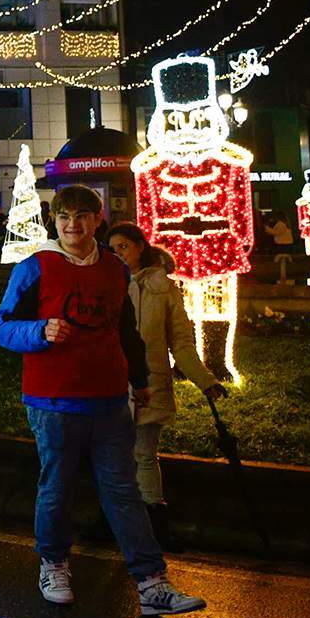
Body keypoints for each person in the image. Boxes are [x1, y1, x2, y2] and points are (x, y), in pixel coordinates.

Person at [0, 185, 205, 615]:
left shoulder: (114, 268)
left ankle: (151, 583)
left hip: (109, 399)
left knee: (124, 491)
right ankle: (53, 564)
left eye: (83, 216)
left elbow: (125, 329)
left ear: (98, 218)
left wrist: (140, 379)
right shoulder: (35, 267)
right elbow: (1, 326)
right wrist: (39, 331)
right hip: (53, 401)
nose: (74, 225)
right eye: (65, 216)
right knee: (56, 488)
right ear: (55, 221)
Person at [106, 222, 225, 550]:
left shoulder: (164, 288)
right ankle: (115, 520)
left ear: (140, 246)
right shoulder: (104, 283)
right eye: (113, 249)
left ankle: (155, 525)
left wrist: (205, 379)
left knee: (144, 453)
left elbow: (181, 342)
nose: (119, 254)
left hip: (151, 381)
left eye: (124, 247)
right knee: (114, 456)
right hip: (111, 382)